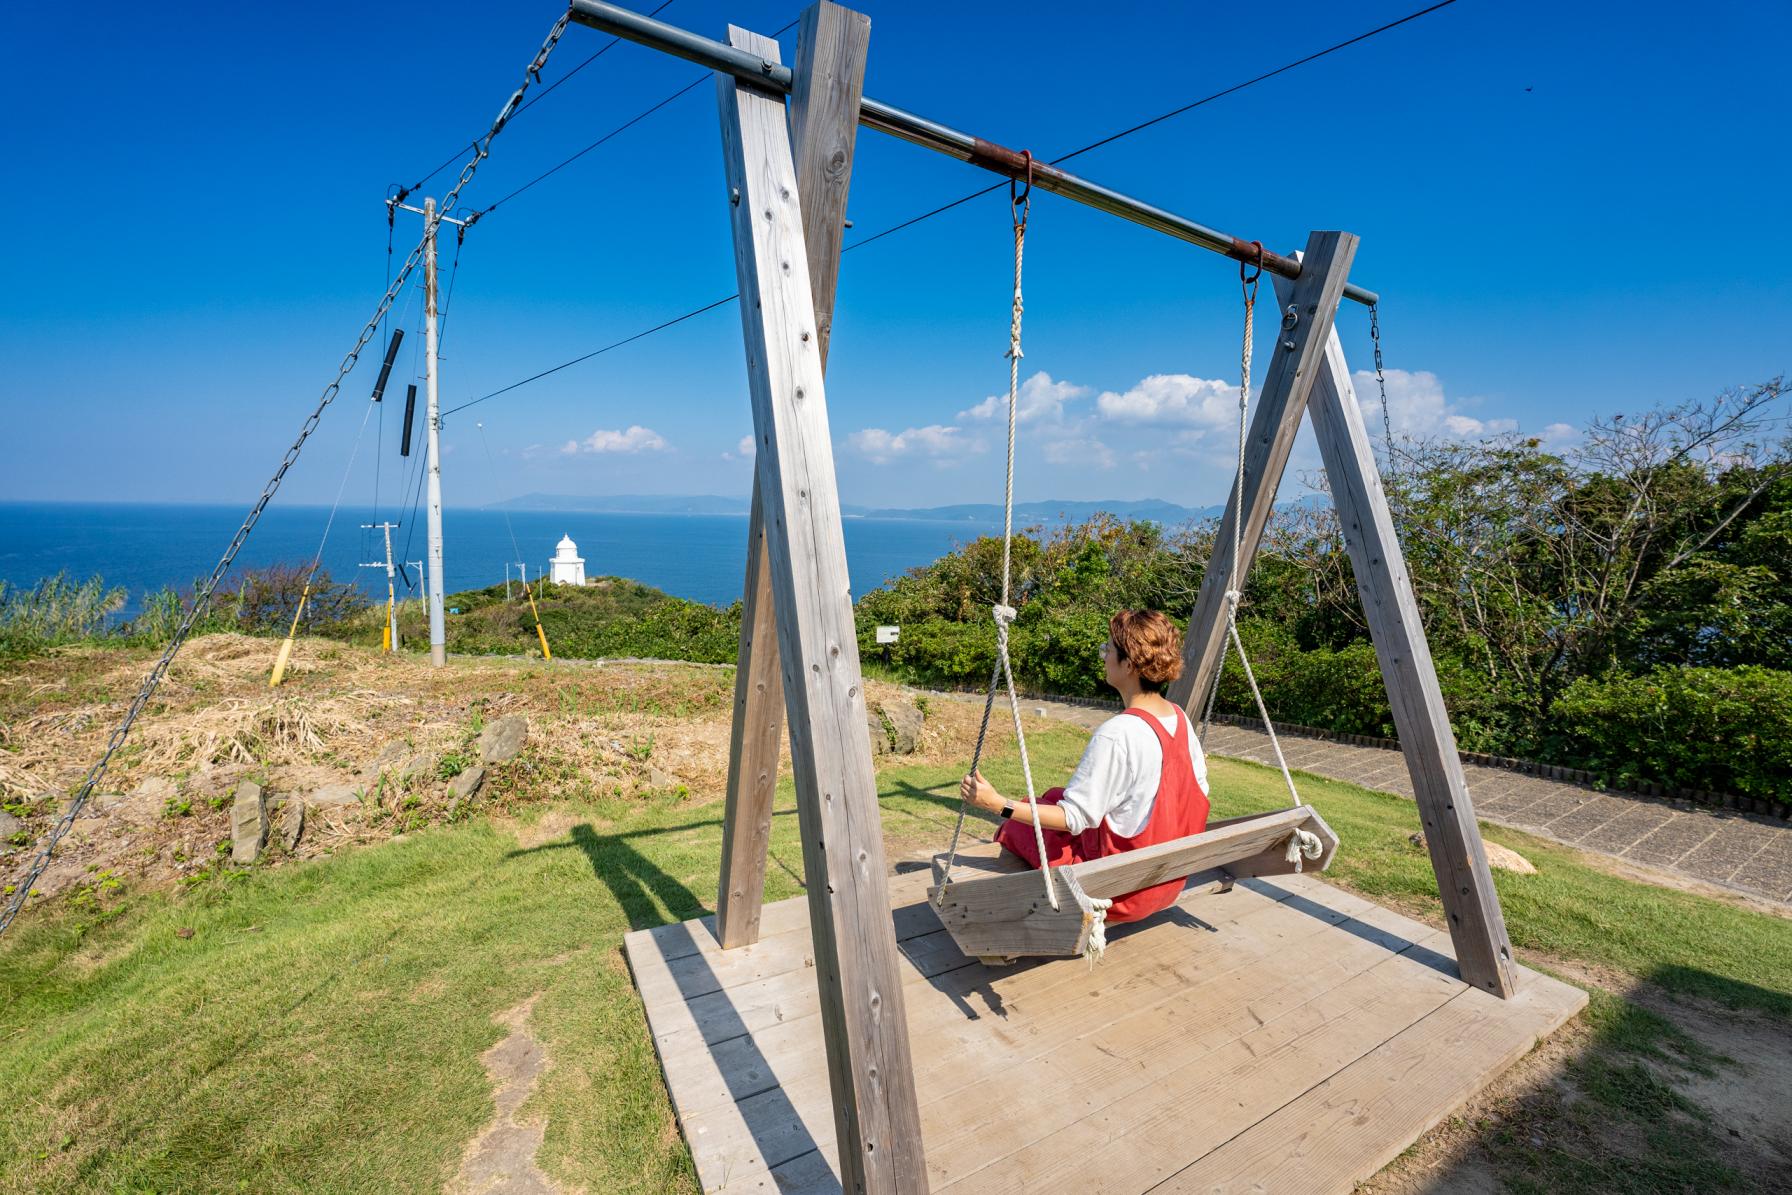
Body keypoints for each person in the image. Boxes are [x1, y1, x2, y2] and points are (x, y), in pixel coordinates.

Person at [958, 608, 1210, 924]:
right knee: (1052, 796)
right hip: (1166, 881)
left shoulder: (1118, 733)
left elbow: (1073, 818)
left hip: (1120, 892)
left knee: (1020, 823)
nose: (1103, 656)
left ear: (1129, 665)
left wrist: (997, 805)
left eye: (1108, 650)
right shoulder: (1180, 719)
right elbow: (1197, 794)